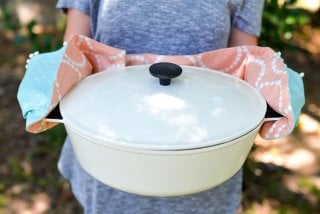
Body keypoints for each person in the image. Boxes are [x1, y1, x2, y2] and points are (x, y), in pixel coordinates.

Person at [56, 1, 264, 213]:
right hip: (109, 154)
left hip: (204, 160)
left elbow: (247, 67)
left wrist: (273, 94)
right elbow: (72, 55)